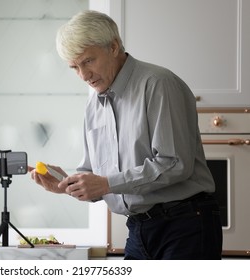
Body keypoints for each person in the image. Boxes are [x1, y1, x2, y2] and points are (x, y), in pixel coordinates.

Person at [29, 10, 223, 260]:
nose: (84, 75)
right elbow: (96, 175)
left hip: (185, 225)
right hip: (138, 229)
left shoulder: (158, 84)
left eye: (88, 61)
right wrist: (68, 185)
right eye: (74, 67)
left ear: (113, 46)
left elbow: (174, 164)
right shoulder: (93, 105)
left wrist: (107, 183)